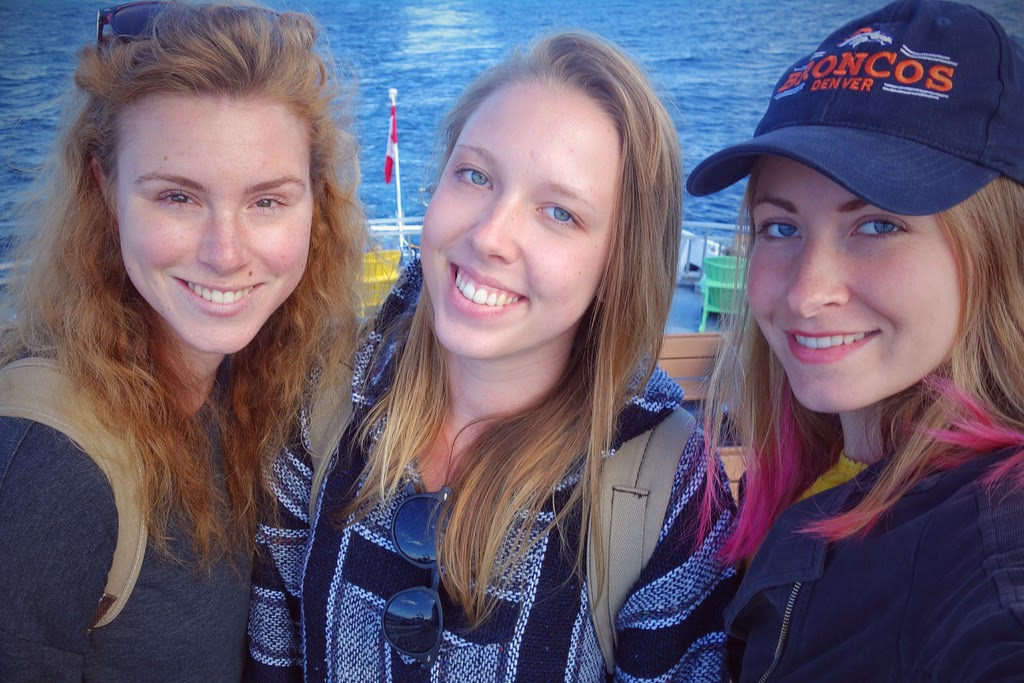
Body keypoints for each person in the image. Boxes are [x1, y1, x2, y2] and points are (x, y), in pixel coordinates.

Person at [248, 31, 738, 682]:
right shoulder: (323, 398)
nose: (490, 236)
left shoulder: (666, 489)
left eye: (559, 213)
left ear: (619, 263)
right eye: (475, 176)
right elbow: (272, 658)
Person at [0, 2, 365, 680]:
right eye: (177, 197)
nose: (225, 253)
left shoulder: (258, 381)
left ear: (317, 204)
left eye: (266, 201)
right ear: (104, 189)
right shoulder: (50, 469)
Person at [685, 0, 1024, 679]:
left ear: (998, 248)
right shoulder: (821, 467)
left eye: (877, 225)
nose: (807, 293)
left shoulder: (993, 547)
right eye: (781, 227)